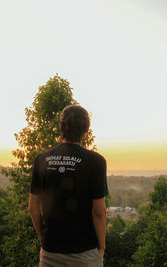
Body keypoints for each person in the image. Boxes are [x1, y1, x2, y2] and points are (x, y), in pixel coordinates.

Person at [29, 105, 108, 267]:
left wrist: (43, 238)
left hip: (50, 253)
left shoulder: (42, 159)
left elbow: (33, 207)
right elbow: (98, 212)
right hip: (84, 254)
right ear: (87, 128)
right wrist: (102, 246)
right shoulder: (95, 161)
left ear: (60, 127)